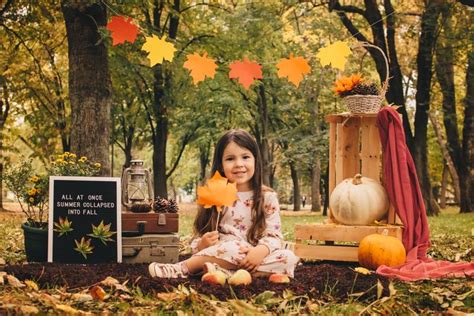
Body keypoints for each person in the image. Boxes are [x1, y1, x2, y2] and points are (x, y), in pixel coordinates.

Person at [149, 129, 299, 279]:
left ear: (255, 160)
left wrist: (261, 250)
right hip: (225, 250)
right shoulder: (215, 194)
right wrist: (202, 244)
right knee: (232, 248)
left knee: (289, 258)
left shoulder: (268, 198)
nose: (239, 164)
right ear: (220, 165)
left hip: (256, 255)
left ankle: (225, 272)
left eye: (245, 157)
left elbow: (274, 235)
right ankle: (182, 268)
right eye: (230, 159)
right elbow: (202, 235)